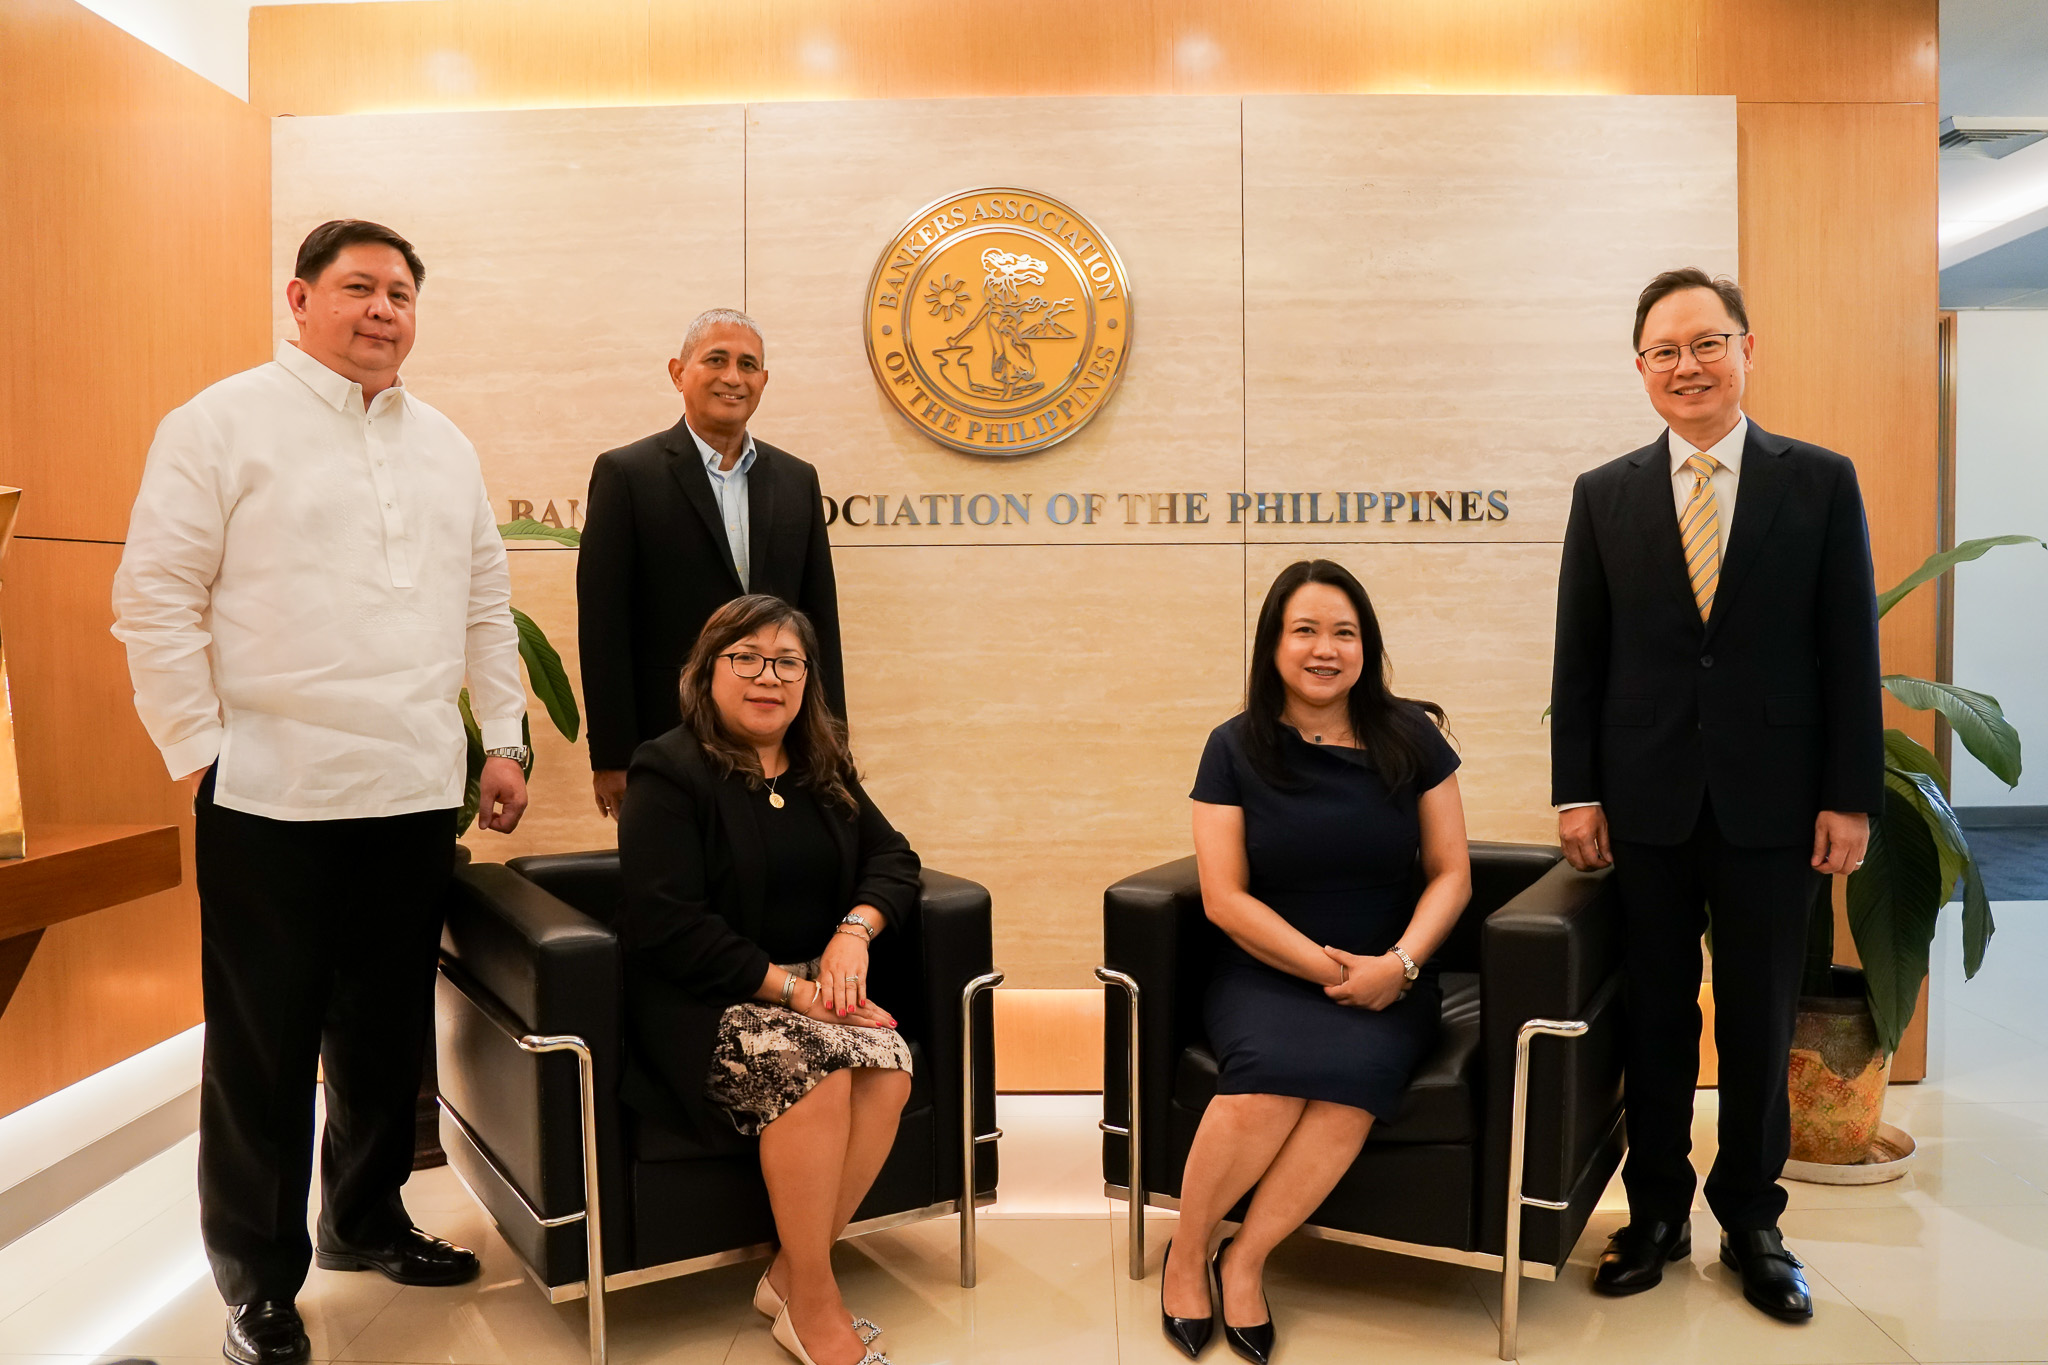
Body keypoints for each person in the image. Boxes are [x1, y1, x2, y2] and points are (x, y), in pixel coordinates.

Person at [111, 220, 531, 1365]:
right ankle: (257, 1279)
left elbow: (484, 603)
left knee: (384, 1032)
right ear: (298, 300)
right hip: (270, 797)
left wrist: (502, 740)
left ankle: (363, 1220)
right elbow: (154, 594)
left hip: (411, 788)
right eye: (358, 287)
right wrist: (199, 748)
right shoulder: (218, 423)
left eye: (401, 292)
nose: (383, 309)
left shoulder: (445, 444)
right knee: (264, 1048)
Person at [1550, 268, 1883, 1322]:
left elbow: (1848, 650)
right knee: (1653, 1019)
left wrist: (1849, 797)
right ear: (1639, 367)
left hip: (1775, 809)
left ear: (1746, 348)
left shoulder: (1817, 481)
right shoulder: (1603, 494)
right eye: (1664, 351)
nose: (1685, 366)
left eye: (1705, 343)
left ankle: (1751, 1219)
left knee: (1756, 1020)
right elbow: (1580, 658)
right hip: (1642, 807)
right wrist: (1575, 791)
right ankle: (1654, 1213)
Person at [1161, 560, 1471, 1364]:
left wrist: (1398, 964)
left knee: (1348, 1092)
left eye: (1344, 632)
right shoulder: (1233, 747)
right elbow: (1225, 897)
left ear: (1367, 646)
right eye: (1305, 630)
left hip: (1392, 970)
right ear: (1273, 644)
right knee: (1263, 1086)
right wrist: (1336, 973)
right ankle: (1186, 1254)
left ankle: (1245, 1260)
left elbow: (1452, 873)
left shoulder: (1413, 736)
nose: (1325, 648)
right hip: (1266, 965)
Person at [615, 594, 917, 1365]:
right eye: (746, 658)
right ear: (706, 671)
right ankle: (814, 1303)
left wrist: (853, 933)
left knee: (888, 1064)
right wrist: (797, 992)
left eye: (787, 661)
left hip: (810, 992)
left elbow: (894, 858)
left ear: (807, 678)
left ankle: (788, 1275)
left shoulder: (821, 766)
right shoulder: (668, 768)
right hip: (703, 999)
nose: (768, 677)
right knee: (815, 1070)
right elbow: (668, 922)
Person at [578, 309, 844, 822]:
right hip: (666, 737)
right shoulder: (626, 474)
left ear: (764, 380)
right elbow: (603, 627)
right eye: (716, 360)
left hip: (779, 740)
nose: (733, 377)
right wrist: (612, 755)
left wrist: (832, 739)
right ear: (679, 373)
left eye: (748, 365)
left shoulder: (797, 479)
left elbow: (820, 624)